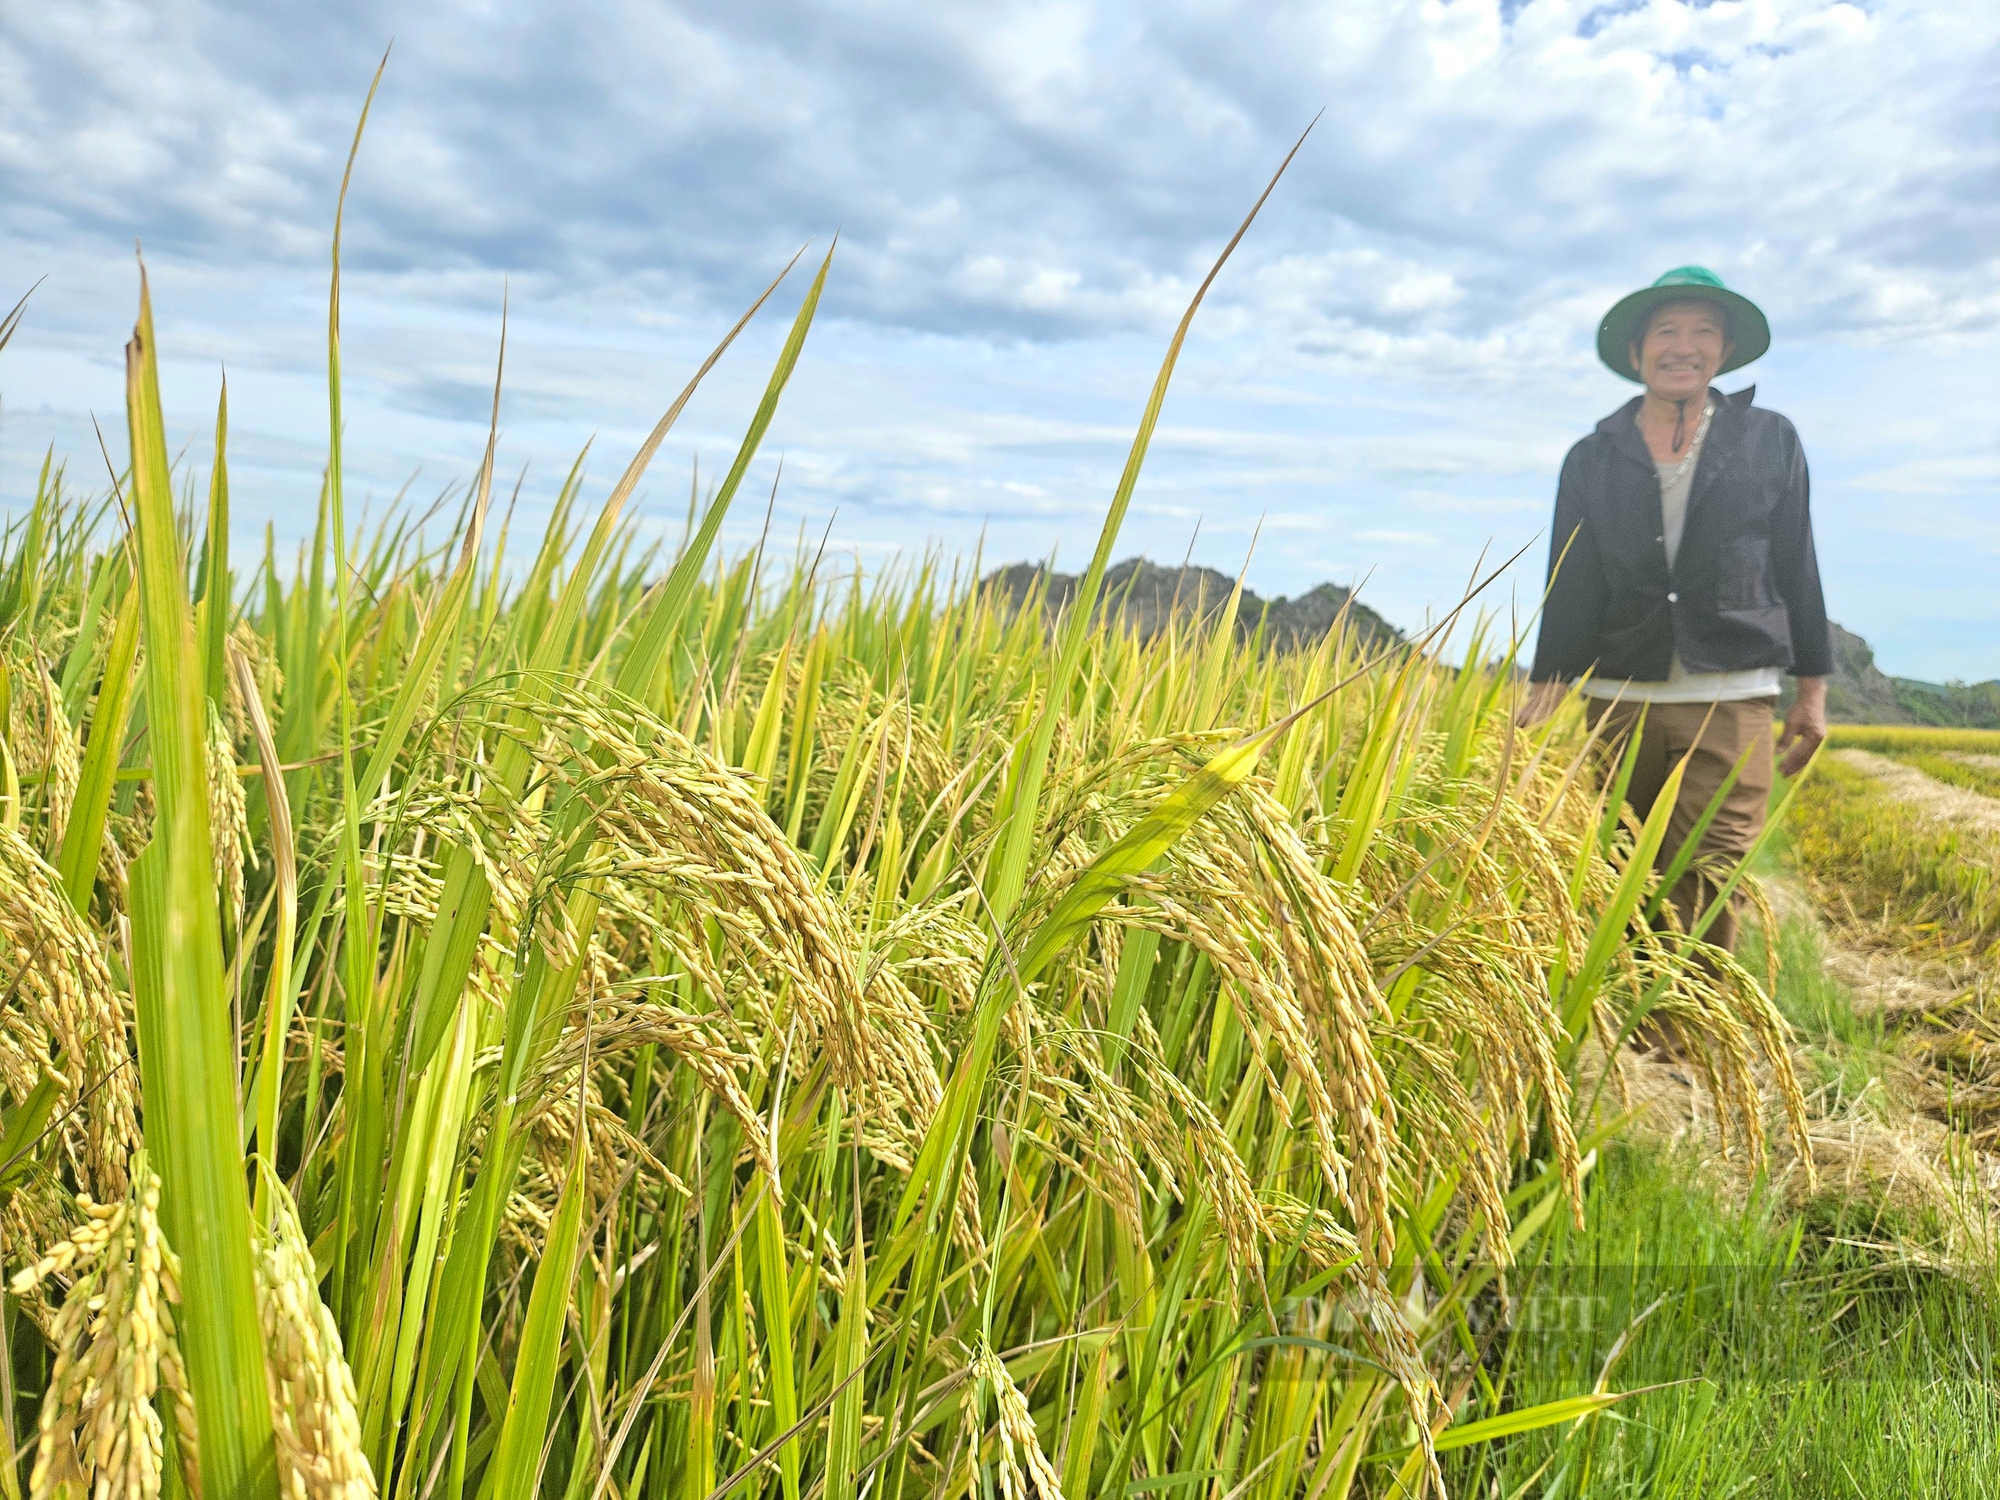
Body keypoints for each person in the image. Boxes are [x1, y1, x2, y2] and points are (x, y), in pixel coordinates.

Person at [1518, 266, 1830, 953]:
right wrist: (1548, 679)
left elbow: (1796, 563)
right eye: (1666, 332)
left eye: (1703, 332)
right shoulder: (1592, 457)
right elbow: (1572, 575)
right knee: (1625, 860)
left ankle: (1684, 1033)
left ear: (1723, 351)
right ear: (1636, 353)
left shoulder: (1769, 439)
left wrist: (1812, 690)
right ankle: (1627, 1019)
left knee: (1712, 866)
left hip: (1734, 689)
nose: (1683, 347)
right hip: (1619, 691)